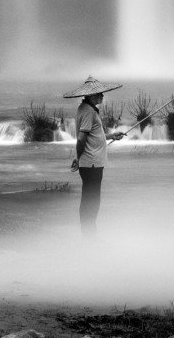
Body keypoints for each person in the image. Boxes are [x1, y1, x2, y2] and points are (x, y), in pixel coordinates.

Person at [63, 75, 125, 234]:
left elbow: (91, 136)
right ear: (91, 96)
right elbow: (82, 139)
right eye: (100, 93)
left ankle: (89, 234)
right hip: (92, 164)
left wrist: (111, 136)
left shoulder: (85, 109)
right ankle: (89, 236)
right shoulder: (89, 112)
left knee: (90, 198)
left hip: (91, 162)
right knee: (92, 200)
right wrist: (78, 158)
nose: (102, 95)